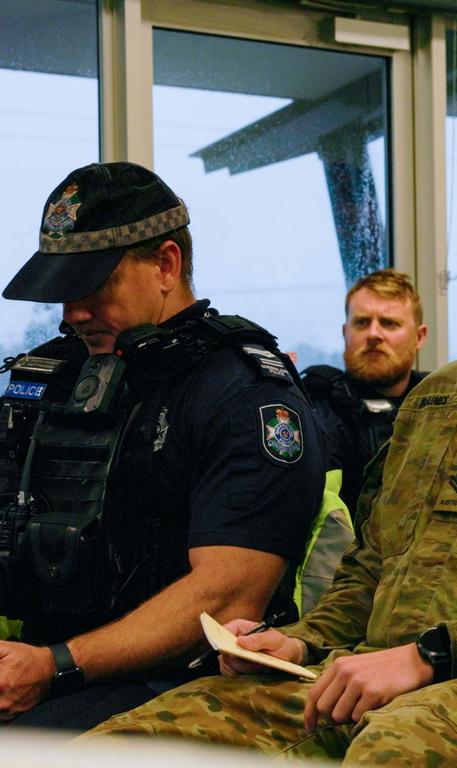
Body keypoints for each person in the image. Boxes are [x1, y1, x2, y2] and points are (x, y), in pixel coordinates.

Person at [81, 139, 457, 765]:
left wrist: (432, 655)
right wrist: (298, 642)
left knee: (394, 754)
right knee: (126, 748)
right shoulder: (441, 396)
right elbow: (373, 569)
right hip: (370, 671)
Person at [0, 162, 324, 732]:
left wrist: (55, 667)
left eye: (95, 287)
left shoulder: (244, 389)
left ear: (166, 265)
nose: (73, 313)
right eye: (63, 292)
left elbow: (228, 597)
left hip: (186, 682)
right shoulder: (51, 376)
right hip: (45, 666)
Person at [301, 269, 427, 520]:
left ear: (419, 337)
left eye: (389, 323)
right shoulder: (314, 410)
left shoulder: (444, 406)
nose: (373, 334)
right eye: (362, 322)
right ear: (345, 332)